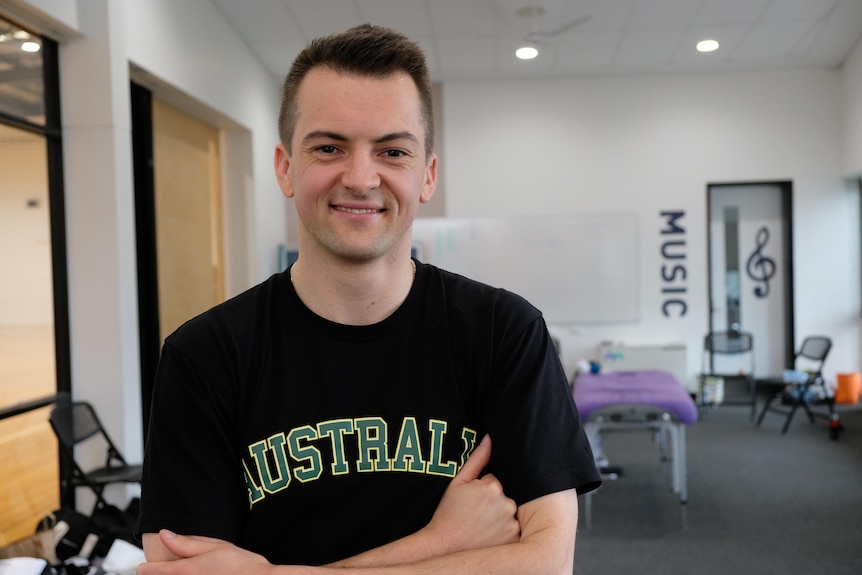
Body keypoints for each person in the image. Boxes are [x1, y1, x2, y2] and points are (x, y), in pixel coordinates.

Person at [135, 23, 601, 575]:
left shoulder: (504, 331)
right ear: (286, 168)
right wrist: (439, 542)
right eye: (329, 147)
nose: (360, 177)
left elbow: (547, 565)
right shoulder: (203, 357)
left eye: (392, 151)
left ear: (426, 175)